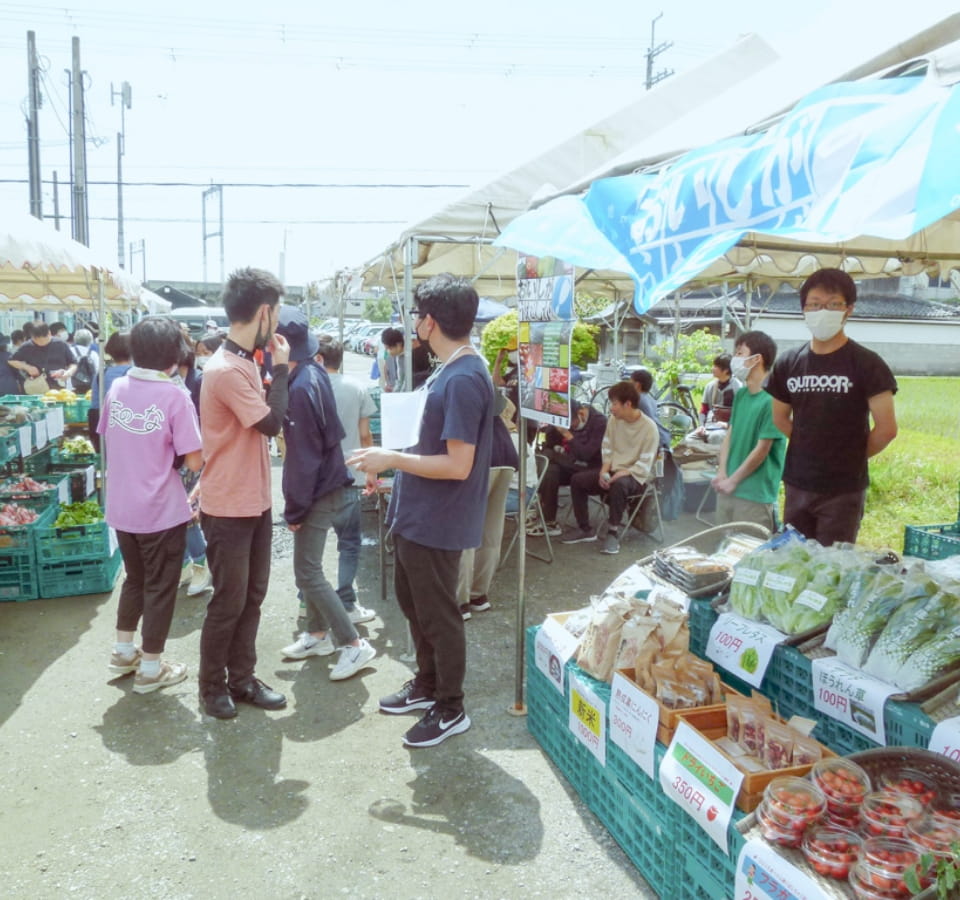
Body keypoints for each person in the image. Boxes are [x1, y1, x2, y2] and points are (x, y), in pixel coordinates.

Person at [349, 272, 494, 748]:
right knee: (414, 605)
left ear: (429, 321)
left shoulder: (466, 377)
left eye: (416, 315)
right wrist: (393, 470)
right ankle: (427, 685)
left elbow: (457, 464)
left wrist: (390, 459)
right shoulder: (450, 369)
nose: (413, 323)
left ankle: (451, 707)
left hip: (439, 519)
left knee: (439, 614)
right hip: (418, 513)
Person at [196, 267, 291, 720]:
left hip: (254, 499)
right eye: (277, 312)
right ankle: (212, 686)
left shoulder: (246, 360)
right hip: (228, 505)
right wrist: (285, 370)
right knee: (228, 600)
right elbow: (272, 423)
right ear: (265, 312)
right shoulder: (225, 369)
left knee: (252, 595)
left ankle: (243, 678)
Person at [99, 316, 202, 693]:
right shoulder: (174, 395)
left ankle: (123, 651)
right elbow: (194, 459)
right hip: (159, 510)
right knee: (161, 587)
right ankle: (152, 668)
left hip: (122, 508)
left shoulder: (119, 387)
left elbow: (110, 437)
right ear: (174, 355)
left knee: (136, 579)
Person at [275, 309, 377, 680]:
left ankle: (352, 643)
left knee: (307, 571)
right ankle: (317, 635)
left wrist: (295, 510)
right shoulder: (314, 372)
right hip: (333, 481)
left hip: (319, 488)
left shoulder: (300, 386)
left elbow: (303, 459)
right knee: (311, 568)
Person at [767, 268, 898, 545]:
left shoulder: (867, 363)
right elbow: (779, 417)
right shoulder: (788, 362)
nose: (822, 311)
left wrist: (847, 457)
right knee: (794, 558)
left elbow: (886, 429)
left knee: (833, 567)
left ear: (848, 309)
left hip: (843, 490)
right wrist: (809, 444)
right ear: (803, 309)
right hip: (797, 483)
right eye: (814, 304)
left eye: (833, 304)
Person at [314, 334, 377, 623]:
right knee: (349, 544)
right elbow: (365, 436)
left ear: (318, 358)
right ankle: (347, 604)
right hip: (349, 475)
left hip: (314, 481)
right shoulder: (356, 387)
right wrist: (372, 471)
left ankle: (309, 603)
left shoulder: (307, 387)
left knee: (310, 549)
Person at [561, 381, 659, 555]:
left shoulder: (649, 428)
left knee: (619, 484)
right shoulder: (615, 420)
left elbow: (646, 462)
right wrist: (603, 470)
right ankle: (585, 528)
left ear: (627, 404)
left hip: (637, 474)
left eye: (614, 404)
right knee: (578, 480)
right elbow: (607, 448)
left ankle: (612, 531)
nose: (611, 408)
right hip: (614, 469)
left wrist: (623, 472)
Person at [711, 331, 786, 531]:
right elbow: (730, 435)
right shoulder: (742, 394)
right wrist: (722, 473)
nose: (734, 358)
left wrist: (733, 481)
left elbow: (762, 450)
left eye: (740, 352)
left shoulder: (773, 400)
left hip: (754, 494)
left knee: (748, 555)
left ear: (757, 359)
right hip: (727, 488)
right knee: (721, 551)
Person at [537, 399, 606, 535]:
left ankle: (584, 528)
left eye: (571, 423)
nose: (570, 427)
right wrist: (553, 427)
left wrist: (568, 435)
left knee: (551, 457)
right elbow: (549, 445)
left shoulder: (600, 422)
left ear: (581, 413)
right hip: (571, 464)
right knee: (550, 470)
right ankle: (549, 521)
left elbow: (586, 454)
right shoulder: (568, 423)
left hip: (592, 467)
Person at [88, 331, 133, 452]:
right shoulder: (134, 373)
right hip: (129, 430)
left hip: (104, 430)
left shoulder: (101, 374)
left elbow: (95, 406)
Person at [9, 322, 77, 390]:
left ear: (49, 334)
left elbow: (73, 363)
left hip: (58, 387)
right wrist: (27, 367)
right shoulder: (27, 346)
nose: (42, 344)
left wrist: (68, 373)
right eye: (38, 342)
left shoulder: (60, 344)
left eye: (45, 340)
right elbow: (11, 360)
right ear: (33, 338)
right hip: (36, 387)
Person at [630, 368, 671, 450]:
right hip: (663, 438)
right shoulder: (649, 398)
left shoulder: (637, 400)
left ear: (637, 385)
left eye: (630, 382)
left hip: (655, 443)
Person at [700, 354, 742, 425]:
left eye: (716, 366)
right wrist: (701, 426)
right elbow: (704, 409)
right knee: (689, 436)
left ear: (726, 370)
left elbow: (741, 412)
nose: (712, 368)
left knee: (716, 436)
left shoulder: (738, 387)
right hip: (710, 424)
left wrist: (728, 424)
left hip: (728, 427)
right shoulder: (710, 386)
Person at [70, 328, 99, 395]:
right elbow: (98, 371)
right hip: (90, 388)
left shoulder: (70, 351)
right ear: (90, 341)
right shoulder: (93, 354)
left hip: (72, 387)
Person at [378, 327, 404, 393]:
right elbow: (386, 369)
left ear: (398, 345)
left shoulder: (409, 359)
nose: (388, 352)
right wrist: (389, 386)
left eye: (389, 349)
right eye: (386, 349)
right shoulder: (393, 356)